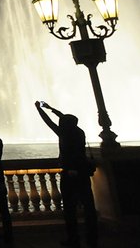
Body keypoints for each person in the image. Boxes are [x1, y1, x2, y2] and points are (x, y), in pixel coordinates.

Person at [36, 102, 98, 248]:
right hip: (83, 174)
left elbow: (48, 122)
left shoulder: (64, 133)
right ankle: (92, 237)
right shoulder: (79, 132)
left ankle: (73, 238)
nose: (60, 122)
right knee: (89, 207)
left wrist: (40, 109)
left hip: (69, 175)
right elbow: (64, 117)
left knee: (69, 209)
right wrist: (51, 108)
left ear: (65, 124)